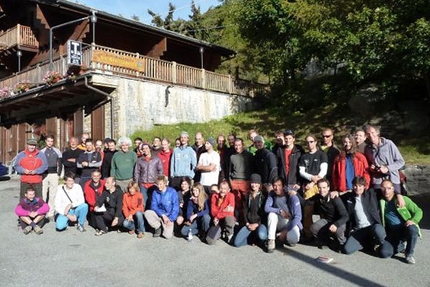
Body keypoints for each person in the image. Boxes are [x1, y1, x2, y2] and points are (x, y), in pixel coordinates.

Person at [379, 179, 423, 264]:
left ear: (393, 189)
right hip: (393, 232)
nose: (386, 191)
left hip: (405, 227)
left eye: (389, 188)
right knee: (384, 253)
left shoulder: (403, 199)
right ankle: (401, 246)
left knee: (413, 229)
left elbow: (418, 211)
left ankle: (409, 254)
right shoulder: (381, 201)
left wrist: (414, 220)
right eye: (383, 188)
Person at [342, 176, 386, 255]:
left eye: (360, 185)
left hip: (373, 226)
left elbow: (387, 191)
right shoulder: (349, 197)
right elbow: (340, 196)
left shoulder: (372, 193)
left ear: (364, 186)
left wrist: (399, 195)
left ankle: (380, 243)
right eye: (355, 185)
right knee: (347, 250)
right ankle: (368, 244)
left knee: (379, 231)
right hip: (359, 229)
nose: (357, 188)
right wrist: (336, 192)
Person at [298, 134, 328, 239]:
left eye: (311, 141)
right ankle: (308, 234)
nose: (309, 144)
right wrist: (311, 178)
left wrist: (313, 182)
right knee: (307, 212)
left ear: (315, 142)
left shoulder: (322, 155)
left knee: (323, 211)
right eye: (307, 142)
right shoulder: (304, 157)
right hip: (308, 188)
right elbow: (301, 172)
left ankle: (323, 235)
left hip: (320, 187)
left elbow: (323, 171)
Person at [364, 125, 405, 200]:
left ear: (377, 133)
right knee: (379, 206)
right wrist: (371, 168)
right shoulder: (367, 148)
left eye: (372, 132)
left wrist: (387, 168)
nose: (371, 135)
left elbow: (400, 161)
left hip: (392, 179)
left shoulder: (388, 144)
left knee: (396, 204)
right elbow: (369, 163)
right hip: (377, 181)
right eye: (368, 134)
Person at [265, 177, 302, 252]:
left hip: (291, 222)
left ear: (283, 186)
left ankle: (282, 237)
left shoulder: (292, 196)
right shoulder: (272, 194)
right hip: (280, 220)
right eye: (275, 185)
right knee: (272, 214)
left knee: (293, 240)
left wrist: (285, 231)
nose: (277, 188)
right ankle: (271, 240)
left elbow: (298, 217)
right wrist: (280, 210)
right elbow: (266, 208)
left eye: (279, 185)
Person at [310, 179, 348, 250]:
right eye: (319, 187)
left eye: (324, 187)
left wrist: (336, 225)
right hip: (327, 221)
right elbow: (305, 202)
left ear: (328, 188)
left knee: (339, 230)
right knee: (313, 227)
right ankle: (326, 241)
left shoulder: (334, 198)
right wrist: (295, 194)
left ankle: (342, 242)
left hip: (338, 221)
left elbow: (345, 216)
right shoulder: (317, 197)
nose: (321, 190)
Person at [234, 174, 268, 248]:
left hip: (259, 224)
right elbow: (245, 210)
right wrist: (247, 223)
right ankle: (250, 240)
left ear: (259, 184)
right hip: (249, 224)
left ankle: (262, 240)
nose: (254, 185)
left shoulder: (263, 196)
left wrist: (257, 224)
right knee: (237, 243)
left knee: (262, 235)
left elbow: (264, 214)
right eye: (252, 182)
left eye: (256, 183)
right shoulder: (247, 196)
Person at [229, 138, 253, 222]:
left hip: (245, 181)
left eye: (239, 145)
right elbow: (230, 170)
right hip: (235, 181)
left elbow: (253, 168)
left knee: (246, 202)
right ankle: (238, 221)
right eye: (236, 145)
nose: (237, 147)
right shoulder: (232, 156)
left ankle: (246, 220)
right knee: (237, 203)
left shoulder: (249, 155)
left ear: (242, 145)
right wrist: (231, 181)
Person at [134, 141, 163, 206]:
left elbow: (160, 171)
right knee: (142, 202)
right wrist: (136, 184)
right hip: (143, 184)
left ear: (150, 148)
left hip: (153, 184)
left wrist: (159, 182)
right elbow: (136, 172)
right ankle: (142, 215)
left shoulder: (157, 159)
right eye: (143, 149)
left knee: (153, 202)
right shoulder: (139, 160)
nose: (145, 150)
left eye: (146, 148)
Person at [41, 134, 62, 220]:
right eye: (48, 141)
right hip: (44, 174)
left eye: (51, 141)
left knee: (53, 194)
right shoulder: (42, 151)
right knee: (43, 193)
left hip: (54, 174)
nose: (50, 143)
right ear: (46, 141)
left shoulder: (57, 151)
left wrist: (59, 173)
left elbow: (60, 163)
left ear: (53, 142)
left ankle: (51, 213)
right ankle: (42, 212)